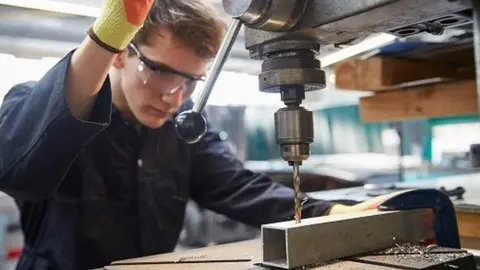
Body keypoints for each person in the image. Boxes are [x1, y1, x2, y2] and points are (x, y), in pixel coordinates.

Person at [0, 0, 404, 269]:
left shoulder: (182, 132)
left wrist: (330, 213)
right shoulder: (37, 104)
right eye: (159, 72)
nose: (175, 96)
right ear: (121, 54)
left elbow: (240, 189)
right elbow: (19, 171)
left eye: (192, 81)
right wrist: (107, 34)